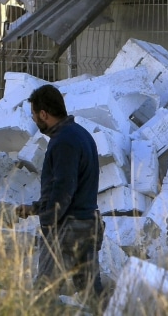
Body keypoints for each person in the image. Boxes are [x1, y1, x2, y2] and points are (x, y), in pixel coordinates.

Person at [18, 83, 104, 299]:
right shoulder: (81, 134)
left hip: (67, 229)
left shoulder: (63, 142)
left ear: (43, 114)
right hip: (88, 224)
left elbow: (63, 191)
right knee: (91, 295)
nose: (34, 120)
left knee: (44, 294)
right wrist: (34, 208)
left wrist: (47, 221)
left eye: (34, 115)